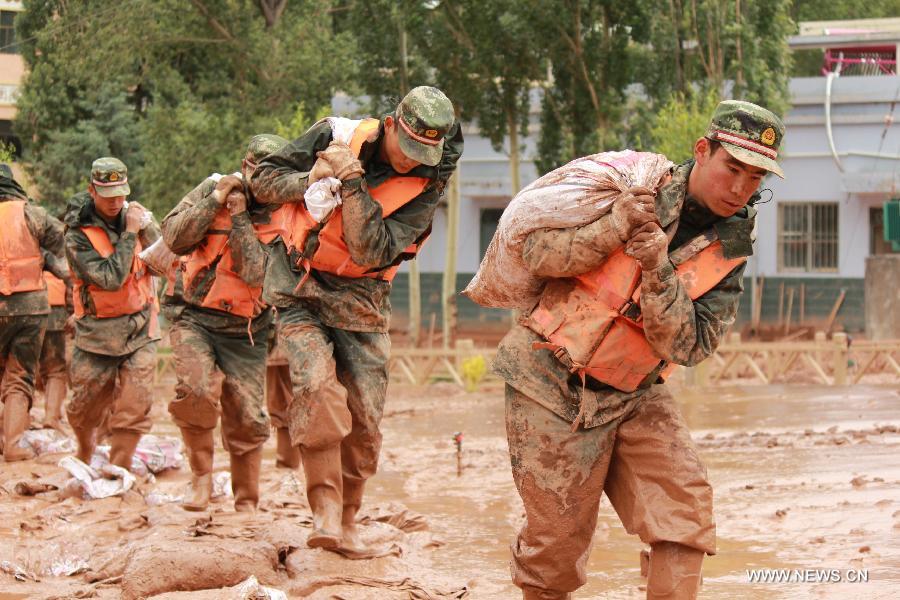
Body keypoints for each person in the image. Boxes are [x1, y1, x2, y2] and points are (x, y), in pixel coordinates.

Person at [490, 100, 785, 599]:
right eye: (732, 168)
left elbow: (690, 346)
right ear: (702, 150)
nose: (740, 188)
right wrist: (612, 227)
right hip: (548, 379)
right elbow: (538, 254)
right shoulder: (632, 188)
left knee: (685, 518)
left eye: (755, 177)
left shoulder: (732, 245)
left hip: (635, 393)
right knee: (555, 550)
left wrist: (657, 270)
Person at [250, 85, 463, 551]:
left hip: (363, 299)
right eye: (407, 148)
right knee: (316, 388)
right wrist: (309, 179)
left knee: (365, 418)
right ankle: (324, 513)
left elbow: (371, 250)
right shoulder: (336, 134)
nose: (412, 162)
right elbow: (262, 182)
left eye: (424, 153)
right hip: (300, 286)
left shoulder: (428, 184)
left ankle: (348, 519)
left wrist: (351, 183)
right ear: (389, 125)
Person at [161, 134, 289, 512]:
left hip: (248, 328)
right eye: (257, 172)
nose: (263, 182)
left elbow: (255, 273)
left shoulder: (287, 213)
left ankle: (246, 500)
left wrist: (239, 217)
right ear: (246, 167)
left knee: (248, 415)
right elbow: (174, 237)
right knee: (195, 391)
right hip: (194, 316)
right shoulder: (212, 189)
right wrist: (216, 200)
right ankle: (200, 480)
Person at [64, 157, 161, 471]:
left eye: (121, 194)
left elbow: (163, 260)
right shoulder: (77, 235)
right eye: (108, 196)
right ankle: (85, 449)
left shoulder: (135, 217)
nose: (116, 202)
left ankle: (117, 470)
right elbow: (110, 278)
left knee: (136, 402)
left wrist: (148, 227)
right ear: (92, 191)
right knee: (85, 406)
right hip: (96, 332)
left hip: (140, 326)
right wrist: (131, 233)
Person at [0, 164, 65, 462]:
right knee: (19, 375)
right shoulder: (31, 213)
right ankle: (14, 445)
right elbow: (62, 244)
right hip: (29, 307)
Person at [38, 249, 72, 431]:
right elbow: (69, 277)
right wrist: (73, 312)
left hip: (16, 310)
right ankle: (51, 417)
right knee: (55, 369)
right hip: (55, 310)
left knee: (19, 372)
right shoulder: (58, 249)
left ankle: (16, 422)